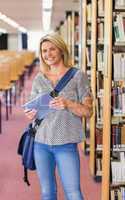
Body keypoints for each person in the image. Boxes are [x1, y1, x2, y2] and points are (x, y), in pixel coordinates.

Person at [24, 32, 93, 200]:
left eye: (52, 49)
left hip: (66, 144)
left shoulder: (78, 76)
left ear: (61, 49)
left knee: (74, 193)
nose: (48, 54)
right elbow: (32, 107)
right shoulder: (39, 78)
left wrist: (68, 104)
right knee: (47, 193)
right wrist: (30, 114)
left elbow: (88, 111)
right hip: (41, 143)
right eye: (44, 51)